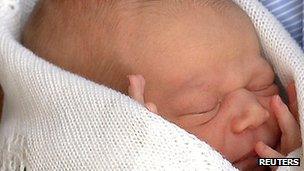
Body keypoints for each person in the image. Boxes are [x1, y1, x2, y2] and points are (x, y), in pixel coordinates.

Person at [21, 0, 301, 170]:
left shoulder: (271, 159)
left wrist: (291, 161)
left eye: (261, 84)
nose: (255, 112)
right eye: (204, 108)